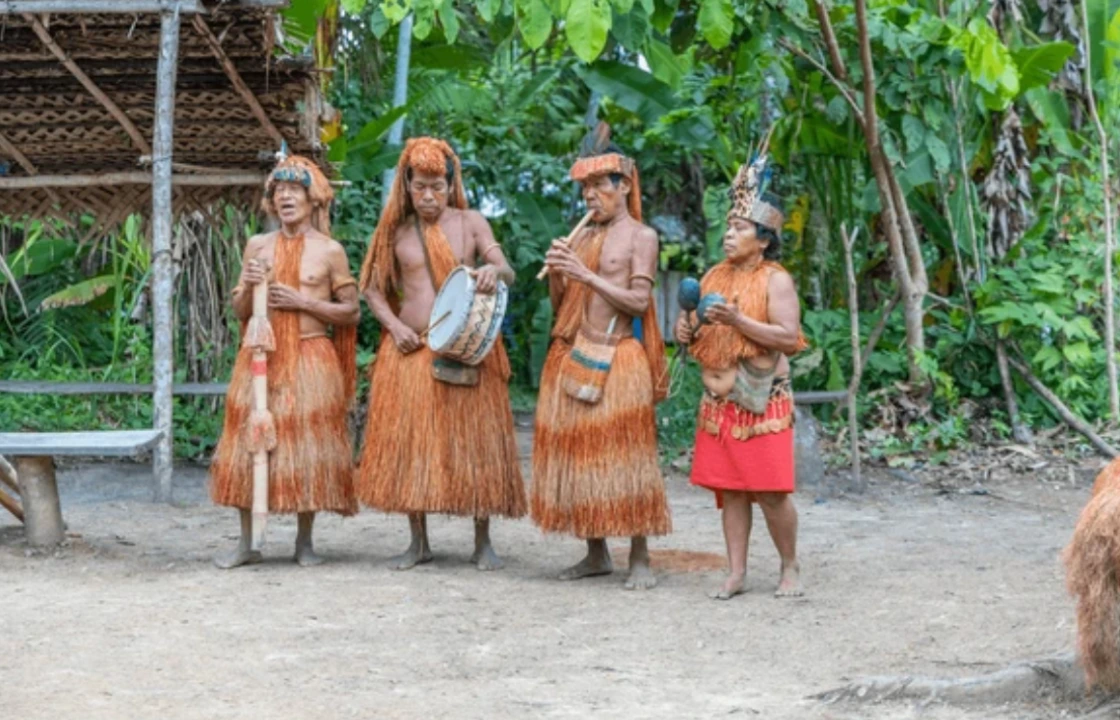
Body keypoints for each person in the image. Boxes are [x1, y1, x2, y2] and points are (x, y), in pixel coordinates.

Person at [357, 137, 525, 571]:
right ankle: (419, 543)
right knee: (412, 447)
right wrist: (394, 327)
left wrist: (492, 270)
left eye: (437, 187)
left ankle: (483, 543)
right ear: (407, 186)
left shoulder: (472, 223)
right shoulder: (394, 231)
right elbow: (371, 289)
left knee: (476, 445)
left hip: (469, 351)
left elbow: (507, 269)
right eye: (420, 187)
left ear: (451, 186)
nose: (428, 196)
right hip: (411, 349)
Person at [531, 122, 671, 590]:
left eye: (599, 185)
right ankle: (596, 554)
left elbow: (638, 302)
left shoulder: (642, 237)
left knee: (627, 457)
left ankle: (640, 558)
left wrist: (585, 275)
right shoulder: (582, 238)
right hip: (575, 349)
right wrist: (559, 273)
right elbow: (562, 306)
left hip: (619, 355)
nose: (590, 195)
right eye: (585, 188)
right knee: (580, 454)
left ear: (624, 186)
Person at [211, 152, 359, 568]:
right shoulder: (258, 246)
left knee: (306, 446)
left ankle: (304, 542)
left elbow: (351, 312)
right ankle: (247, 543)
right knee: (246, 444)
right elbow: (239, 310)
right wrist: (248, 287)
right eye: (279, 191)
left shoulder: (330, 251)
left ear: (313, 200)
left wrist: (301, 302)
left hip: (311, 358)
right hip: (261, 357)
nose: (286, 197)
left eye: (295, 190)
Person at [675, 154, 808, 600]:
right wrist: (685, 330)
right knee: (731, 491)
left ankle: (789, 566)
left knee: (770, 492)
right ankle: (736, 572)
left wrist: (739, 321)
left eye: (740, 228)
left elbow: (788, 338)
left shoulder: (776, 281)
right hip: (719, 402)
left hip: (761, 397)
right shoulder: (714, 275)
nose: (729, 234)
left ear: (764, 239)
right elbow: (695, 328)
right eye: (728, 227)